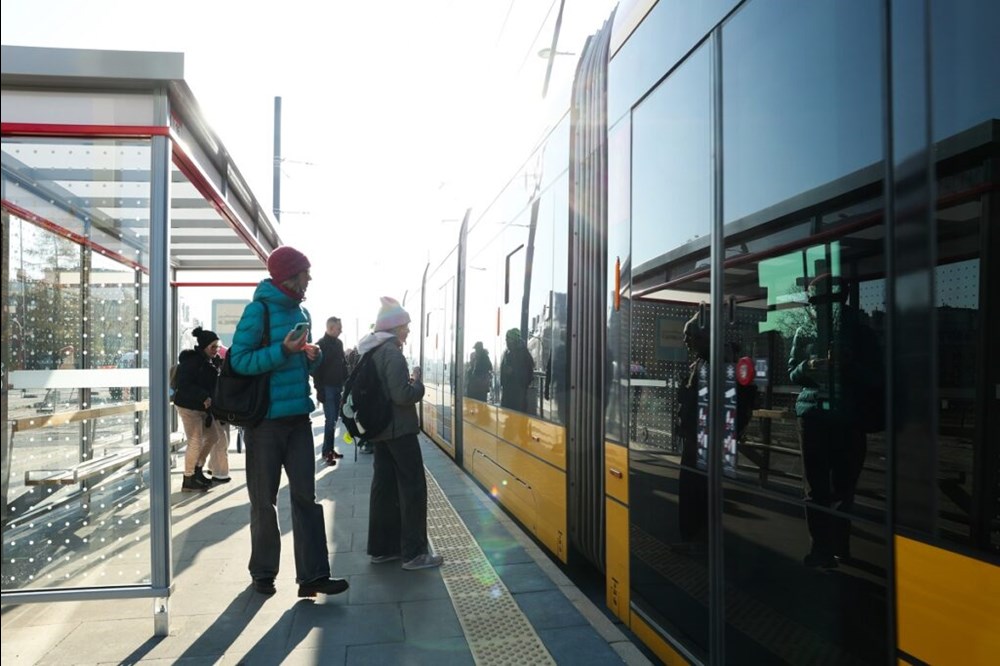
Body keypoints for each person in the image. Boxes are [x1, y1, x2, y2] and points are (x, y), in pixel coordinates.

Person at [228, 245, 348, 598]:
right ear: (289, 276)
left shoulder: (302, 312)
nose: (309, 279)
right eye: (305, 273)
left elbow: (300, 366)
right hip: (264, 423)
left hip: (298, 420)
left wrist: (311, 356)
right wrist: (283, 350)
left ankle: (313, 576)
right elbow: (239, 361)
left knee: (306, 498)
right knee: (263, 501)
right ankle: (263, 572)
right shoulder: (258, 310)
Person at [788, 273, 880, 568]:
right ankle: (828, 549)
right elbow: (793, 372)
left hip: (838, 416)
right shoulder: (809, 329)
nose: (820, 307)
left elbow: (877, 379)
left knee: (836, 487)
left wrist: (849, 365)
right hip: (825, 416)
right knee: (823, 488)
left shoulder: (860, 332)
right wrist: (809, 366)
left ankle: (829, 549)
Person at [359, 296, 442, 570]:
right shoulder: (392, 353)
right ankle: (415, 553)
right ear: (394, 327)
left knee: (383, 488)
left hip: (381, 430)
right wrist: (417, 384)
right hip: (399, 431)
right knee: (413, 488)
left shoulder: (372, 350)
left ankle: (382, 549)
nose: (408, 330)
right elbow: (402, 395)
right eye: (405, 326)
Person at [173, 328, 229, 491]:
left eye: (217, 346)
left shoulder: (211, 361)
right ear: (204, 346)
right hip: (188, 407)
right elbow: (184, 385)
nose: (216, 350)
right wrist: (203, 396)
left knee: (213, 436)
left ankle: (197, 469)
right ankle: (188, 478)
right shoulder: (192, 362)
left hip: (202, 408)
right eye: (213, 346)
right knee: (195, 440)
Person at [313, 316, 348, 466]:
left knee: (333, 420)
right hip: (326, 388)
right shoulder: (320, 345)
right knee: (330, 420)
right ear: (331, 328)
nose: (341, 331)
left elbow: (343, 364)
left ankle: (329, 449)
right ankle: (327, 452)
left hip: (337, 387)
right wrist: (319, 390)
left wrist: (346, 381)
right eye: (339, 328)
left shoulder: (339, 344)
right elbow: (315, 370)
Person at [499, 328, 534, 412]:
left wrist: (513, 372)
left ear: (514, 340)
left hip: (518, 394)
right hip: (508, 392)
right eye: (506, 339)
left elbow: (528, 374)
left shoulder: (523, 354)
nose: (507, 341)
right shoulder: (507, 353)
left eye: (508, 339)